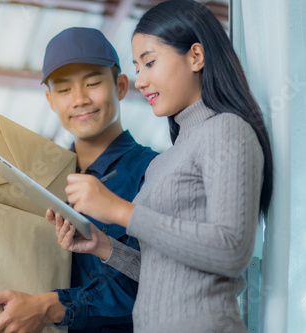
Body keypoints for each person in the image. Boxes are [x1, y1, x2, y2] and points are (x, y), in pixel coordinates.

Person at [48, 1, 274, 332]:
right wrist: (104, 247)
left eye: (150, 62)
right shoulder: (164, 162)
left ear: (196, 56)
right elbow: (162, 272)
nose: (141, 81)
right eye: (138, 68)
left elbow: (232, 251)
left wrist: (120, 211)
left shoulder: (227, 130)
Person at [0, 27, 158, 332]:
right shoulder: (39, 181)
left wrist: (50, 306)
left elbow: (157, 281)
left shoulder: (153, 171)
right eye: (64, 90)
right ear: (50, 99)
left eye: (93, 83)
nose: (80, 99)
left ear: (122, 86)